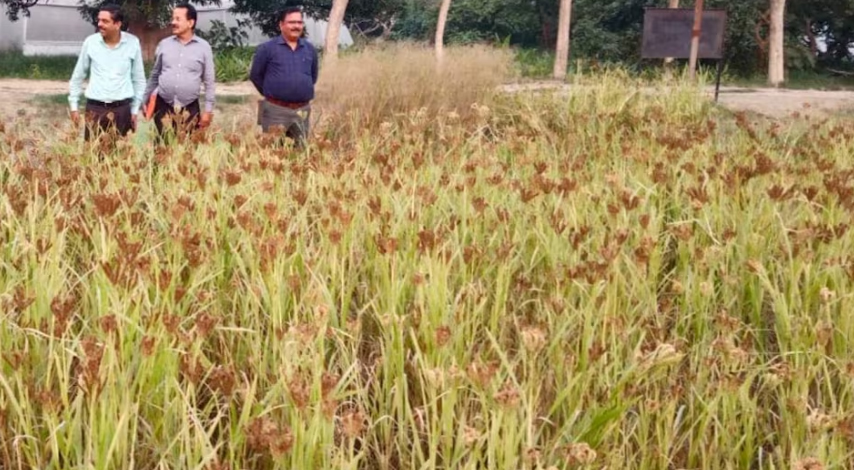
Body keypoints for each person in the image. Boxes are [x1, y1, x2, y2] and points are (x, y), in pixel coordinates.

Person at [68, 4, 146, 141]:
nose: (100, 24)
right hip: (95, 110)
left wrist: (134, 111)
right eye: (99, 20)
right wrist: (74, 106)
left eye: (105, 21)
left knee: (120, 159)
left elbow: (138, 79)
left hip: (122, 111)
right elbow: (78, 76)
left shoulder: (132, 43)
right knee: (92, 157)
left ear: (117, 24)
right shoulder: (91, 43)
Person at [143, 3, 216, 140]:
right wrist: (144, 98)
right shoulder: (164, 44)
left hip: (189, 107)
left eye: (177, 19)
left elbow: (209, 81)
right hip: (163, 105)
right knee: (162, 149)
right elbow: (155, 75)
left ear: (190, 22)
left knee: (186, 153)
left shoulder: (204, 47)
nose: (173, 22)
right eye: (173, 18)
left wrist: (208, 110)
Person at [249, 7, 319, 148]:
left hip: (302, 111)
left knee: (300, 153)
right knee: (272, 153)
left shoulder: (309, 49)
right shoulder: (267, 48)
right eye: (291, 22)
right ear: (281, 25)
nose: (296, 26)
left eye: (299, 22)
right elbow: (255, 75)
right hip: (275, 110)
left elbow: (313, 76)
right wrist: (272, 93)